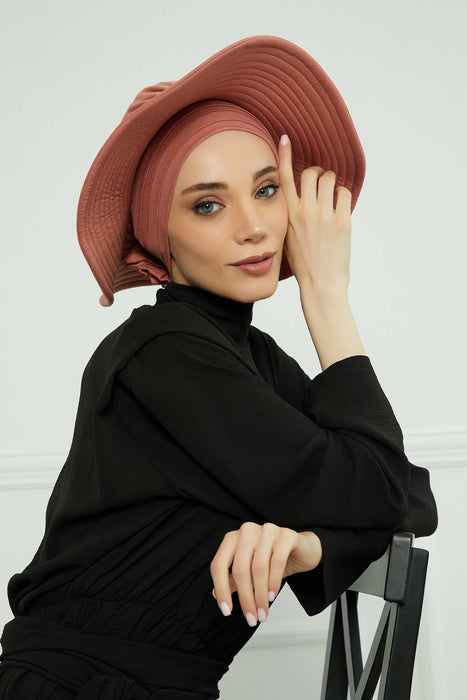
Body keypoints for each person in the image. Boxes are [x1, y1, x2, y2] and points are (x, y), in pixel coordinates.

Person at [0, 36, 438, 699]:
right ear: (160, 233)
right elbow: (378, 489)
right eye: (208, 204)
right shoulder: (164, 351)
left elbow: (407, 494)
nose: (254, 226)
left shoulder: (251, 359)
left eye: (267, 190)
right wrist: (324, 295)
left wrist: (306, 549)